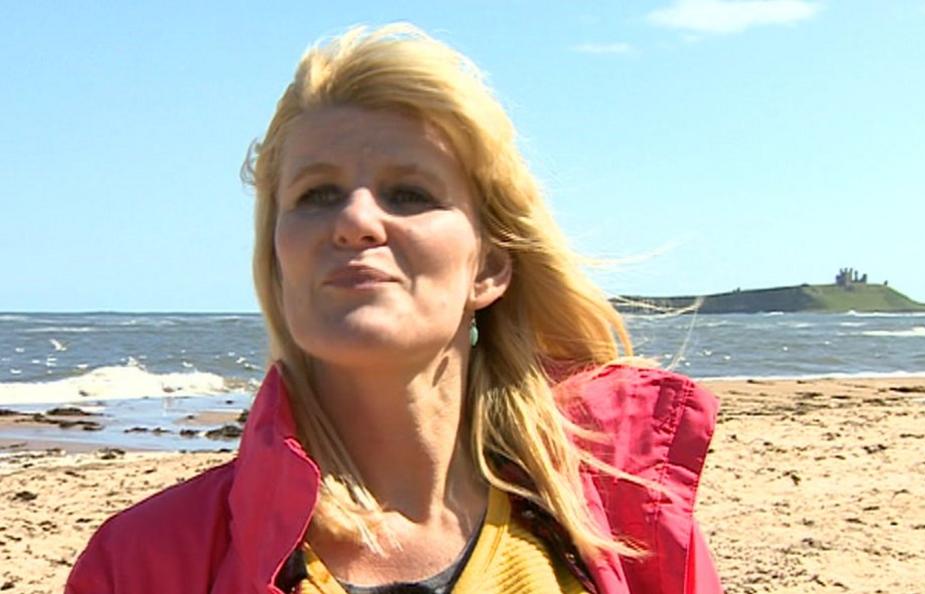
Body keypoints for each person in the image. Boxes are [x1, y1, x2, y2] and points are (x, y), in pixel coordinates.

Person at [66, 24, 723, 593]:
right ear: (276, 257)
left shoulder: (625, 527)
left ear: (489, 267)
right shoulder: (146, 560)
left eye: (408, 193)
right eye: (317, 194)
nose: (354, 220)